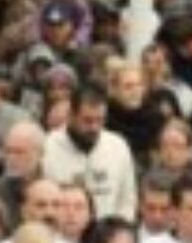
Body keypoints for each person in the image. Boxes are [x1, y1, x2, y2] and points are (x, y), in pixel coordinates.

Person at [42, 83, 137, 220]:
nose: (94, 127)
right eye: (87, 120)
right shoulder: (47, 147)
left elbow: (127, 201)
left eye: (100, 120)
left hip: (107, 234)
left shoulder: (118, 146)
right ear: (71, 116)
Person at [0, 120, 45, 227]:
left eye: (19, 152)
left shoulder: (54, 187)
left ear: (39, 153)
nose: (11, 158)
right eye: (7, 152)